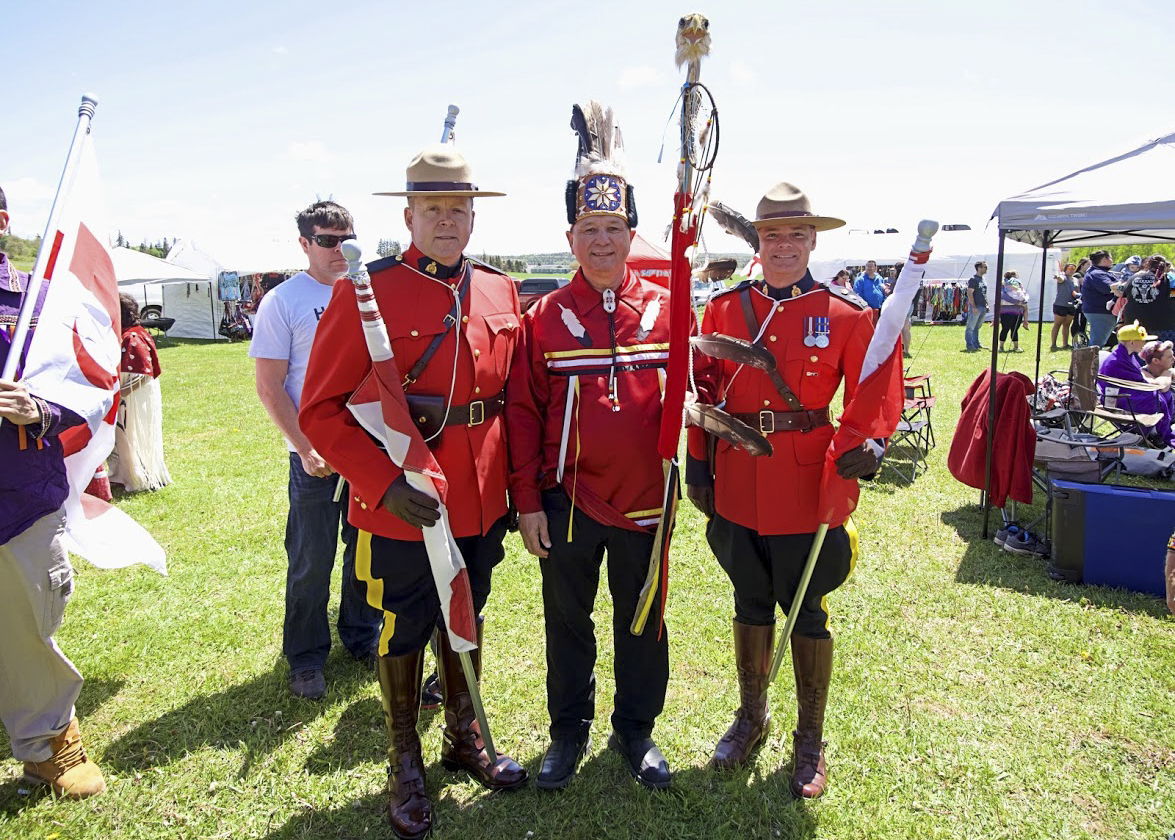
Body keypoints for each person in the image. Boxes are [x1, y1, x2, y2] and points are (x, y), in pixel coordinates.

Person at [299, 146, 526, 838]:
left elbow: (511, 402)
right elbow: (320, 409)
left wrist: (514, 491)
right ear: (408, 214)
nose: (448, 221)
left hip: (478, 496)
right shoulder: (366, 290)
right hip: (400, 497)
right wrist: (381, 484)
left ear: (473, 217)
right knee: (404, 622)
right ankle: (404, 760)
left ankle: (465, 736)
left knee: (468, 611)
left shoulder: (497, 288)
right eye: (433, 209)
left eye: (459, 209)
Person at [506, 121, 708, 792]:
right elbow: (525, 415)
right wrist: (528, 502)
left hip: (647, 498)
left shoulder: (667, 311)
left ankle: (636, 730)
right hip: (567, 501)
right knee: (567, 623)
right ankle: (568, 733)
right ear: (570, 239)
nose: (601, 240)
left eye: (612, 228)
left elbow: (697, 396)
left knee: (643, 619)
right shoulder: (544, 318)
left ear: (631, 236)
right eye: (588, 228)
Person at [684, 182, 886, 799]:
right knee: (749, 599)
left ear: (813, 240)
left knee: (807, 609)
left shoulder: (847, 313)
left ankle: (809, 736)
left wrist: (868, 442)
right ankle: (751, 716)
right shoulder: (723, 310)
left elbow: (874, 391)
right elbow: (703, 389)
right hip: (740, 475)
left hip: (806, 480)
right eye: (773, 235)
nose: (785, 246)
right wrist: (699, 460)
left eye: (797, 234)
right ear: (758, 241)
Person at [249, 201, 383, 700]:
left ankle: (361, 636)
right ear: (304, 244)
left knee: (365, 552)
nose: (339, 250)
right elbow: (270, 385)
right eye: (327, 241)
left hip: (368, 451)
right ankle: (305, 657)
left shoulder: (368, 291)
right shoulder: (283, 301)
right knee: (310, 557)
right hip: (316, 459)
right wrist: (305, 448)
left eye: (346, 238)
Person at [0, 185, 105, 798]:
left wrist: (35, 410)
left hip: (14, 497)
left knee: (28, 620)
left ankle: (46, 740)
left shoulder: (40, 304)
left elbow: (88, 387)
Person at [107, 293, 171, 492]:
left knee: (130, 436)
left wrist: (119, 395)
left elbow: (143, 375)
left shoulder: (133, 336)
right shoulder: (130, 333)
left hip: (133, 398)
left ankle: (137, 476)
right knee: (122, 437)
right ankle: (123, 473)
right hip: (127, 397)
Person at [1099, 322, 1174, 447]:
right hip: (1117, 400)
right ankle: (1155, 433)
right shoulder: (1117, 360)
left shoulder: (1128, 356)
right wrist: (1153, 387)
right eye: (1142, 340)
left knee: (1159, 393)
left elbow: (1137, 378)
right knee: (1155, 397)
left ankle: (1158, 431)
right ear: (1132, 342)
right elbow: (1131, 383)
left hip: (1126, 392)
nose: (1144, 344)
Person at [1120, 255, 1175, 342]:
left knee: (1138, 354)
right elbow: (1173, 296)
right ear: (1165, 266)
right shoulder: (1169, 279)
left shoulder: (1133, 278)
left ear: (1147, 264)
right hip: (1163, 325)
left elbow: (1124, 293)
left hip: (1136, 326)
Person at [1082, 250, 1119, 348]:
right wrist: (1126, 284)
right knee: (1096, 344)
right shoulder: (1097, 274)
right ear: (1104, 259)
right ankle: (1090, 363)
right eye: (1110, 258)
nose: (1112, 260)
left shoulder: (1100, 272)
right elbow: (1109, 287)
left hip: (1101, 311)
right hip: (1100, 312)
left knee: (1099, 342)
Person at [1051, 264, 1080, 351]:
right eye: (1070, 268)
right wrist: (1057, 276)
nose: (1071, 270)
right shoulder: (1063, 277)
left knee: (1067, 325)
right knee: (1057, 325)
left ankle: (1065, 344)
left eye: (1073, 268)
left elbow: (1077, 290)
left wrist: (1077, 295)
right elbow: (1060, 279)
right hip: (1061, 305)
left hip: (1071, 305)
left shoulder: (1076, 280)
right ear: (1066, 269)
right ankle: (1053, 344)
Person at [998, 271, 1029, 353]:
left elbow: (1002, 296)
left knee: (1005, 329)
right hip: (1017, 310)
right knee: (1014, 329)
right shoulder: (1016, 283)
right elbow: (1023, 294)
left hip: (1005, 311)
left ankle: (1001, 347)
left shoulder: (1002, 284)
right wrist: (1020, 302)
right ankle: (1015, 347)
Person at [964, 260, 988, 352]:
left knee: (977, 326)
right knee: (970, 327)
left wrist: (986, 304)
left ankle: (976, 343)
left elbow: (984, 293)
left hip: (983, 306)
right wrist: (973, 307)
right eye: (985, 267)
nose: (986, 269)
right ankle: (969, 345)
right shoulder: (973, 279)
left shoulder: (983, 279)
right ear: (979, 268)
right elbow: (970, 294)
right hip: (976, 306)